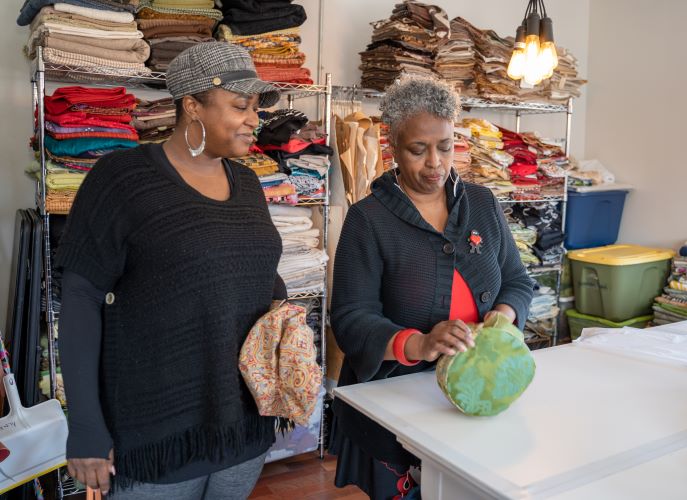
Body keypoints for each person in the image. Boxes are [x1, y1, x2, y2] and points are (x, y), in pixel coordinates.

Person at [56, 42, 287, 499]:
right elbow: (80, 299)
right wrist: (85, 427)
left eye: (257, 108)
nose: (253, 119)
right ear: (192, 106)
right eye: (240, 105)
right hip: (157, 430)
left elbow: (255, 273)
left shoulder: (247, 183)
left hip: (242, 424)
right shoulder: (123, 178)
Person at [328, 77, 535, 499]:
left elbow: (516, 281)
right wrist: (420, 344)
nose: (435, 164)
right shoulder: (368, 220)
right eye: (418, 150)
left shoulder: (481, 203)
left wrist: (505, 313)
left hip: (478, 390)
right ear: (392, 146)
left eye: (444, 146)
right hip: (402, 401)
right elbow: (350, 320)